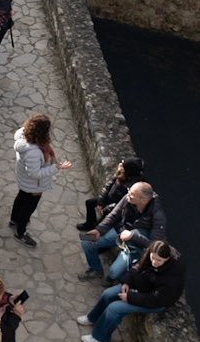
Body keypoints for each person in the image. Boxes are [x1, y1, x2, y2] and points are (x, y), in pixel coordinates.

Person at [80, 239, 185, 342]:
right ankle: (94, 318)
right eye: (153, 258)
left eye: (159, 260)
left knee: (115, 308)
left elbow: (155, 300)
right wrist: (127, 282)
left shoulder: (172, 279)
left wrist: (130, 297)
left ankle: (100, 339)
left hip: (156, 301)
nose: (154, 262)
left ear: (167, 259)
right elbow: (137, 267)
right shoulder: (150, 255)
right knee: (107, 294)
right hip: (144, 287)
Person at [80, 181, 166, 280]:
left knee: (113, 273)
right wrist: (99, 230)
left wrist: (132, 236)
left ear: (143, 200)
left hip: (133, 245)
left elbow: (153, 246)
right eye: (129, 191)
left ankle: (112, 281)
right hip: (118, 232)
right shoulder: (128, 198)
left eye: (132, 194)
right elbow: (114, 215)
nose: (128, 194)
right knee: (85, 240)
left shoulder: (158, 216)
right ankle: (96, 269)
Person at [10, 113, 71, 245]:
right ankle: (20, 233)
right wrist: (56, 167)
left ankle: (14, 220)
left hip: (24, 181)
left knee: (21, 197)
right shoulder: (34, 152)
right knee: (27, 209)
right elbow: (34, 173)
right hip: (33, 185)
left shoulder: (23, 135)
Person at [76, 156, 144, 233]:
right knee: (89, 203)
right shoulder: (120, 174)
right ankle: (89, 224)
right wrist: (101, 201)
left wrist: (105, 209)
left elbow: (119, 205)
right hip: (108, 200)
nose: (120, 164)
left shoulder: (132, 188)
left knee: (99, 226)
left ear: (127, 171)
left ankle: (91, 237)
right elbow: (109, 185)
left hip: (112, 209)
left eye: (123, 165)